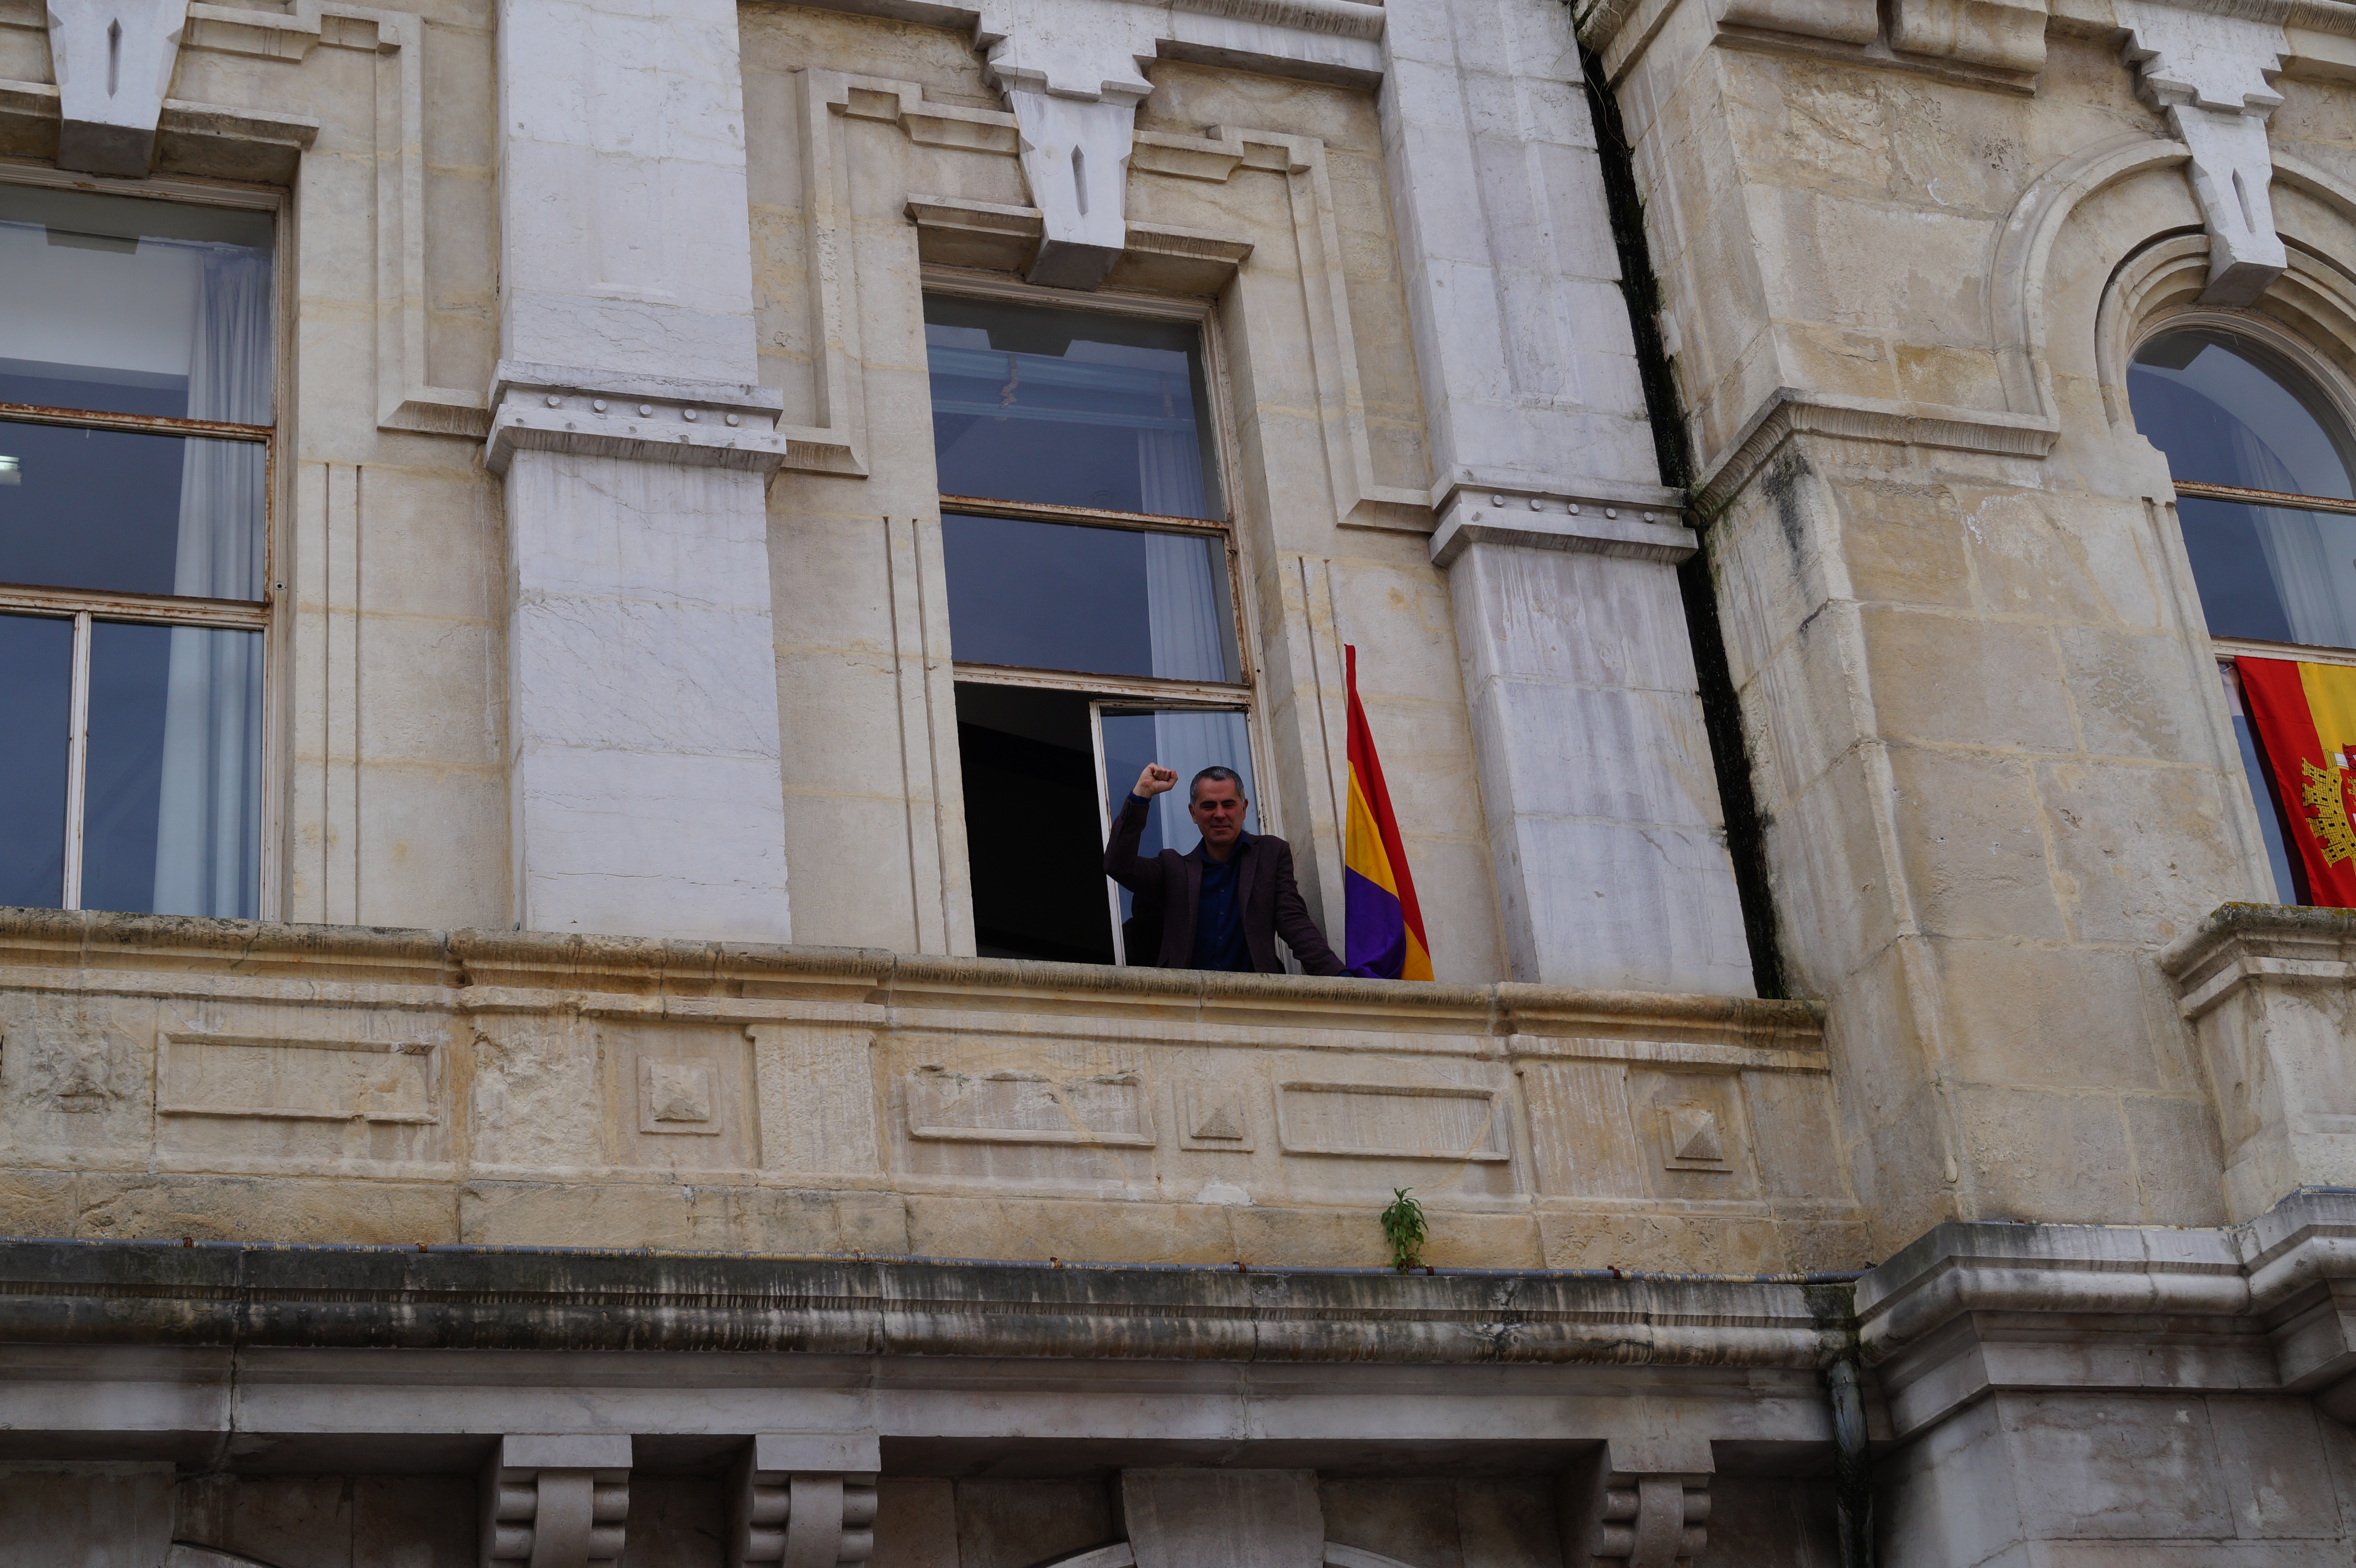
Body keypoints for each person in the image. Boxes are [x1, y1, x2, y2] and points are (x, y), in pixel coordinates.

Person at [1103, 763, 1345, 974]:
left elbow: (1295, 923)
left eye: (1228, 804)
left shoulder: (1271, 855)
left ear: (1244, 809)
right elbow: (1118, 865)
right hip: (1186, 1008)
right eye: (1209, 806)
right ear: (1193, 813)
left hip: (1257, 1003)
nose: (1220, 814)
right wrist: (1142, 794)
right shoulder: (1173, 868)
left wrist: (1341, 979)